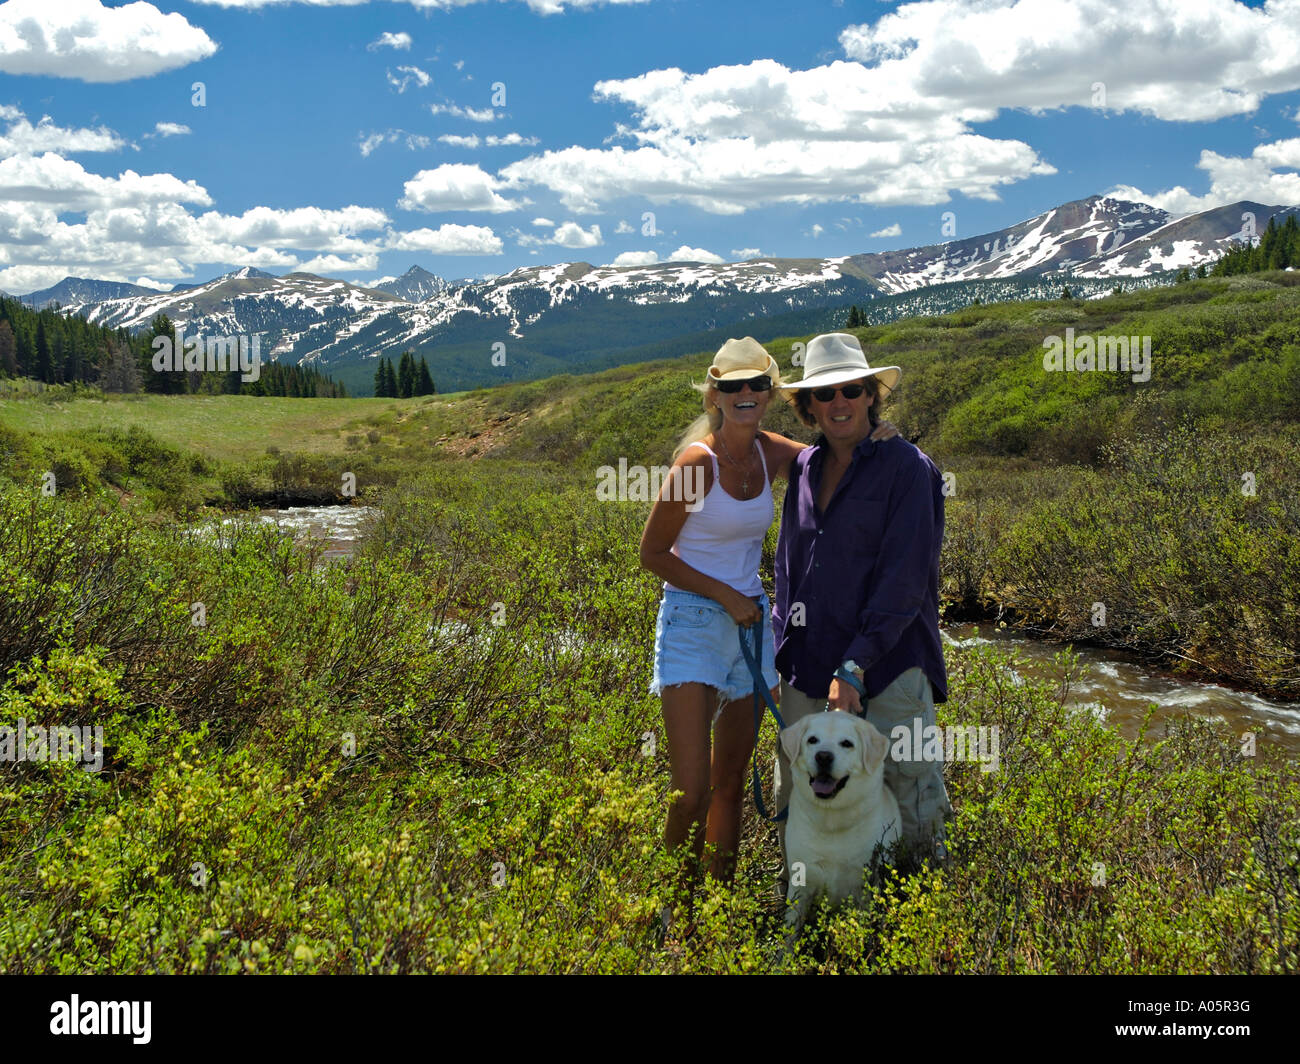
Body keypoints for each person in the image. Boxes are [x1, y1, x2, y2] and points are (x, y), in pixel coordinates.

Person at [639, 336, 895, 940]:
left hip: (752, 629)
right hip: (694, 625)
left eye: (757, 384)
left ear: (773, 393)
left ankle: (718, 915)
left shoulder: (771, 451)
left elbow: (830, 449)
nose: (747, 395)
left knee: (730, 785)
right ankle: (672, 914)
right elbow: (651, 554)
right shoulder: (694, 464)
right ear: (715, 393)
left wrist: (878, 441)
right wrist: (725, 595)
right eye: (733, 386)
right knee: (692, 788)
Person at [772, 332, 951, 883]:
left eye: (851, 389)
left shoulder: (907, 468)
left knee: (908, 788)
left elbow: (905, 582)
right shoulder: (803, 468)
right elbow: (788, 569)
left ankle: (921, 917)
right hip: (809, 665)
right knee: (801, 792)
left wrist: (854, 664)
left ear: (871, 394)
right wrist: (783, 660)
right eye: (824, 394)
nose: (839, 402)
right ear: (808, 407)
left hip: (891, 664)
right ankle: (806, 916)